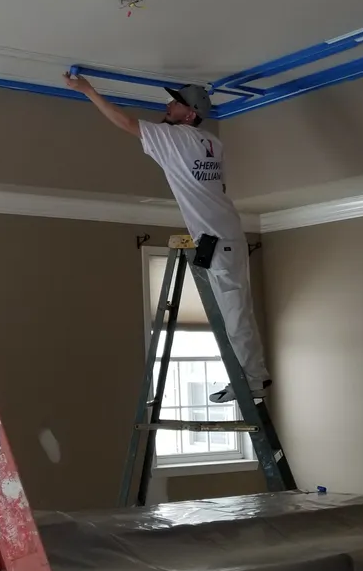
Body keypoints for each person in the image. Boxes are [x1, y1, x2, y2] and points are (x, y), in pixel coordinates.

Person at [63, 73, 269, 403]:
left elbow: (124, 122)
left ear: (190, 115)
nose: (168, 106)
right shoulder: (214, 144)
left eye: (175, 103)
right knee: (236, 312)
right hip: (225, 235)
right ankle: (251, 376)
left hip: (217, 239)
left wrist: (87, 90)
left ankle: (252, 380)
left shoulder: (174, 140)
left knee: (234, 315)